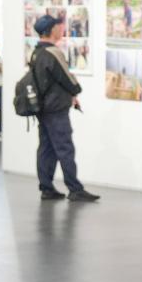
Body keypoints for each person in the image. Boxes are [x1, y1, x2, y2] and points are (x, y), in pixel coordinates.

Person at [30, 15, 98, 202]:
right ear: (51, 30)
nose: (61, 29)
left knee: (46, 148)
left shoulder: (36, 52)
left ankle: (46, 187)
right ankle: (75, 189)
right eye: (57, 26)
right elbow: (67, 78)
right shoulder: (53, 52)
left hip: (43, 108)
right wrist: (76, 91)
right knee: (64, 148)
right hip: (56, 109)